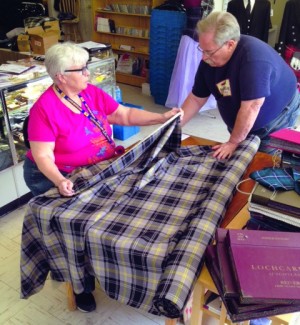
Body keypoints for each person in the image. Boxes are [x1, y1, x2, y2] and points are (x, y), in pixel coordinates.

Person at [23, 42, 182, 312]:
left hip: (99, 168)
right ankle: (80, 284)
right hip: (59, 175)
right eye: (82, 69)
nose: (89, 73)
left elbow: (124, 114)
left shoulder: (90, 93)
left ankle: (111, 267)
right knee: (74, 230)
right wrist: (59, 181)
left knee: (108, 225)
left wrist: (161, 118)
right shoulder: (44, 110)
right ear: (61, 76)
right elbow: (43, 157)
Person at [180, 11, 300, 159]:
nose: (204, 57)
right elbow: (196, 99)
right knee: (237, 156)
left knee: (262, 163)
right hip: (246, 113)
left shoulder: (253, 60)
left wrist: (233, 141)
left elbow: (252, 107)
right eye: (202, 50)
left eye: (209, 52)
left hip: (278, 116)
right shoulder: (209, 59)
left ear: (230, 44)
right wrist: (174, 127)